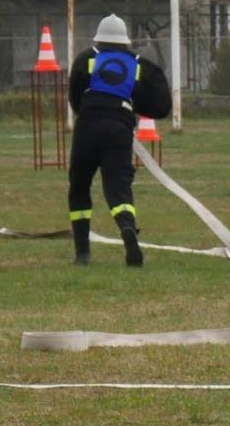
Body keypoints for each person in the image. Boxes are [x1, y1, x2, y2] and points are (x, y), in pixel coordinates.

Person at [66, 14, 173, 267]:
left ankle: (82, 253)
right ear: (125, 41)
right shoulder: (141, 65)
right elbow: (162, 106)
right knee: (118, 188)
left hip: (88, 125)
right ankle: (127, 228)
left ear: (99, 39)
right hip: (119, 127)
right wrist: (135, 106)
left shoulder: (86, 59)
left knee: (79, 186)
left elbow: (74, 96)